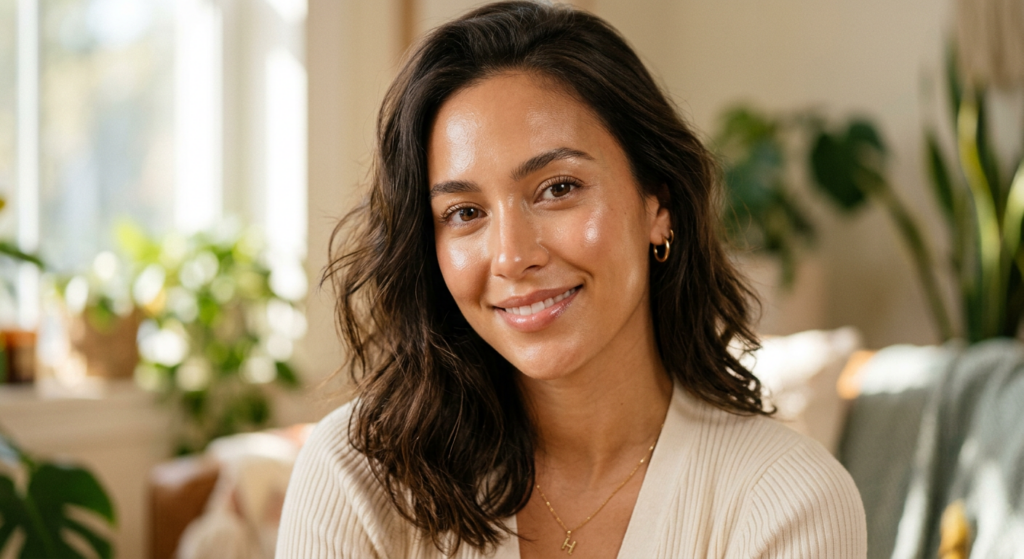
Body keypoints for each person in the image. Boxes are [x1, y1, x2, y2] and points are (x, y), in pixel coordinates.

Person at [277, 2, 867, 558]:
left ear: (656, 203)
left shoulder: (789, 501)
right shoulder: (358, 477)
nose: (512, 257)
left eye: (558, 188)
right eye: (464, 213)